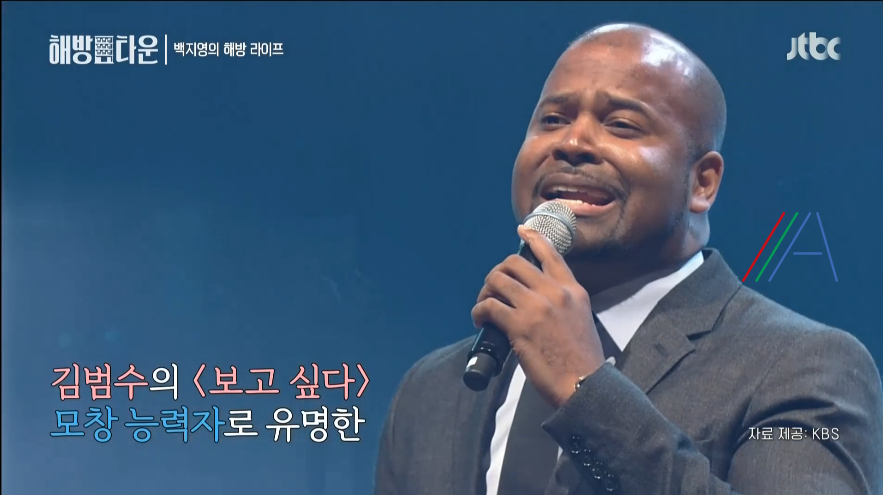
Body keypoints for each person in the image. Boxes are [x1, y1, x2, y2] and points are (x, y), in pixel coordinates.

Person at [373, 23, 883, 495]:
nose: (572, 143)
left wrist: (585, 389)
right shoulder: (433, 388)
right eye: (552, 119)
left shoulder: (804, 365)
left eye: (621, 125)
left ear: (702, 183)